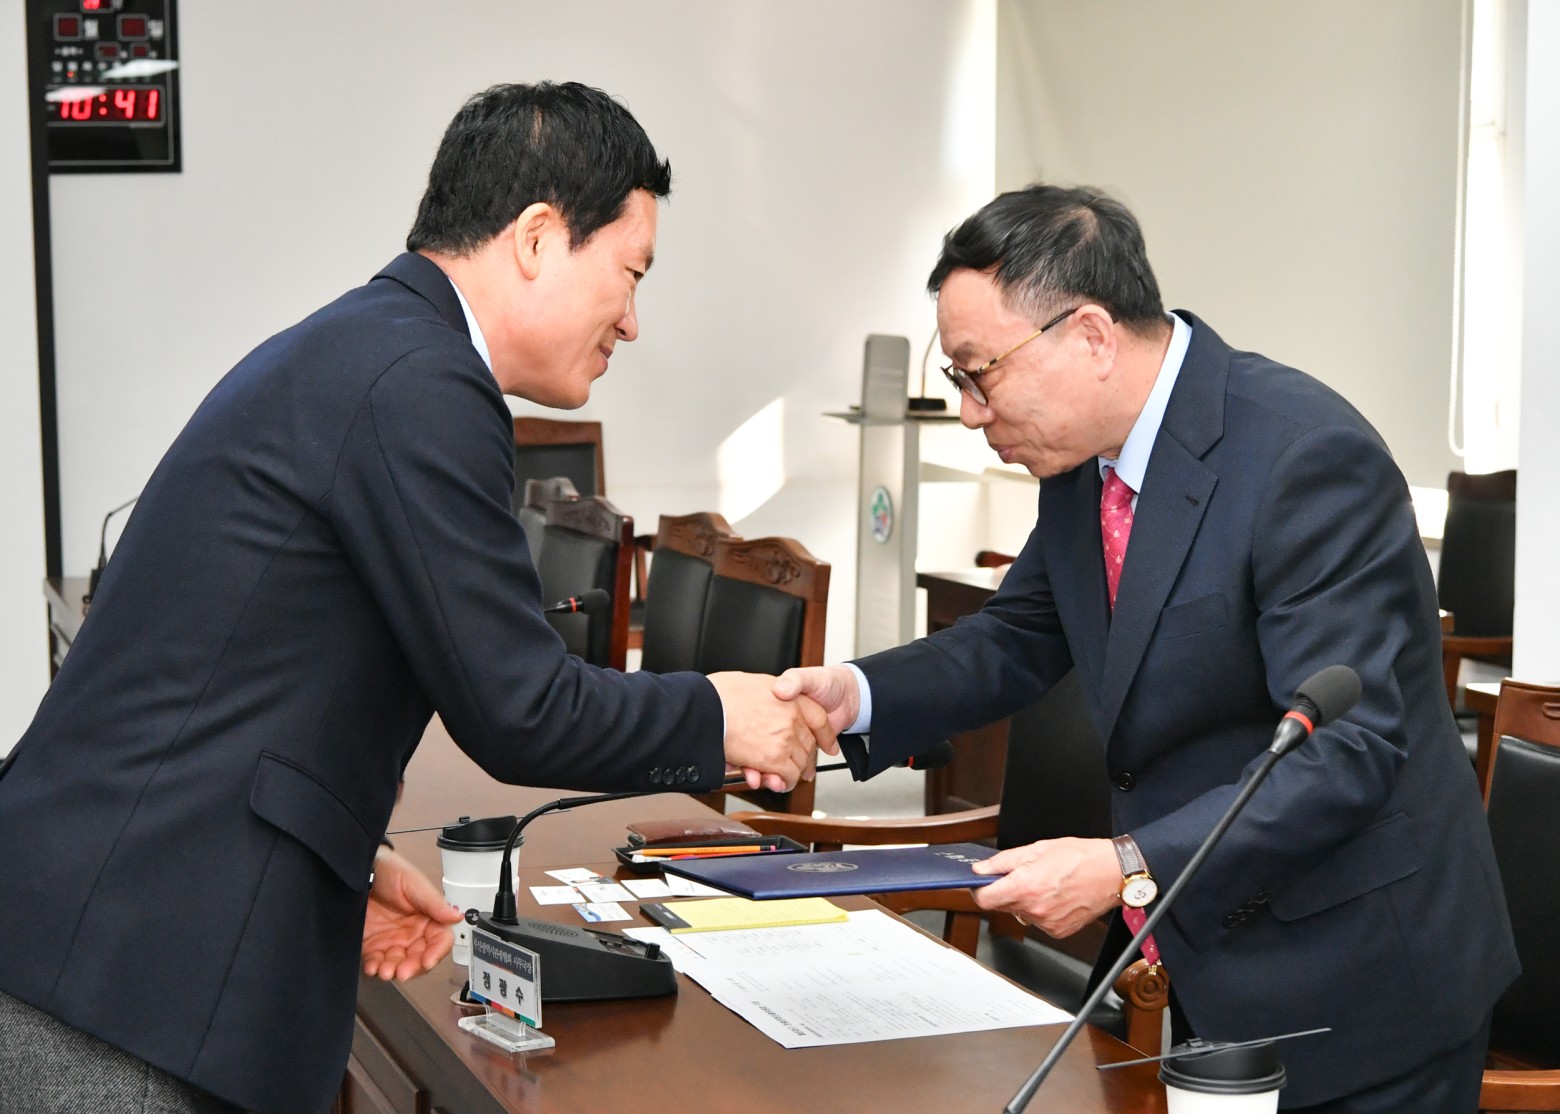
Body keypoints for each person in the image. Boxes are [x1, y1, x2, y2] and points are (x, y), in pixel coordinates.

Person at [0, 82, 834, 1114]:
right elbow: (521, 708)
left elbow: (265, 673)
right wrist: (720, 714)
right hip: (123, 980)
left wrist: (334, 862)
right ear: (537, 237)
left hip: (106, 936)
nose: (631, 320)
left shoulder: (374, 346)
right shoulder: (421, 381)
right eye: (630, 273)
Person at [776, 184, 1517, 1112]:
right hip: (1217, 957)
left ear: (1090, 336)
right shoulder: (1086, 459)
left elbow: (1344, 752)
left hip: (1361, 981)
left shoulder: (1306, 457)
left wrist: (1127, 862)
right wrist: (854, 694)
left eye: (977, 374)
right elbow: (1018, 633)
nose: (968, 412)